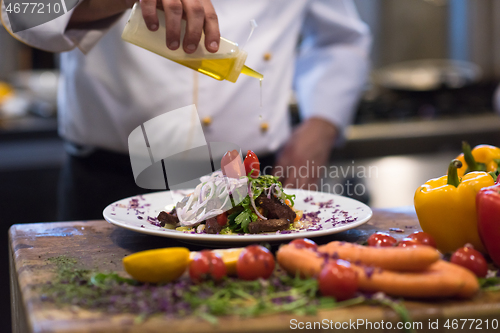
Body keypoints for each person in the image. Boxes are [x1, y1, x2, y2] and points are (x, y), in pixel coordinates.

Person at [1, 0, 371, 221]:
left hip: (254, 183)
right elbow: (21, 11)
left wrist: (321, 127)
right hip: (110, 182)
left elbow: (340, 39)